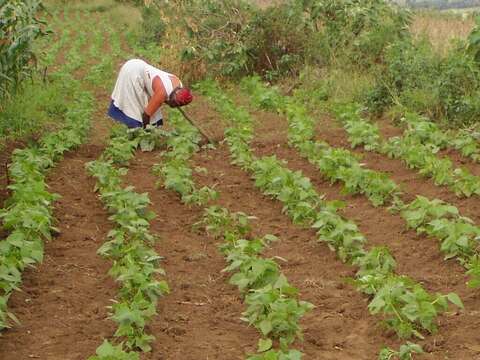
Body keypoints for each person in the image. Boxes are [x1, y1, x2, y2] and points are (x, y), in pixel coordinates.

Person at [107, 58, 193, 128]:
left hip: (139, 65)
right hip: (132, 73)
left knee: (150, 108)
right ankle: (133, 130)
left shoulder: (179, 83)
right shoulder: (162, 93)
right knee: (134, 109)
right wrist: (146, 132)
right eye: (173, 104)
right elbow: (146, 115)